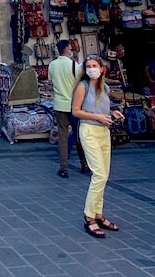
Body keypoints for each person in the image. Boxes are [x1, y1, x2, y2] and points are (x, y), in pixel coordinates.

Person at [71, 53, 124, 239]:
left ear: (102, 68)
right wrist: (98, 117)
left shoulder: (105, 87)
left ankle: (98, 213)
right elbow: (76, 111)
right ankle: (89, 216)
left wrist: (112, 113)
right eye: (88, 66)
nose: (92, 69)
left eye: (95, 66)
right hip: (89, 131)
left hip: (103, 131)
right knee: (99, 174)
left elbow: (101, 109)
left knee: (104, 174)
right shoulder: (82, 86)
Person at [49, 40, 89, 178]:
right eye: (70, 47)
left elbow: (51, 81)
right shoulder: (74, 65)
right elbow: (81, 83)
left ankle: (64, 168)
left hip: (60, 105)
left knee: (63, 137)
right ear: (66, 49)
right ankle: (84, 164)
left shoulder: (52, 65)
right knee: (79, 136)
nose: (71, 49)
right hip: (74, 105)